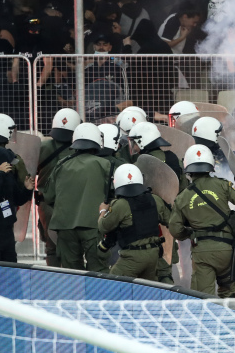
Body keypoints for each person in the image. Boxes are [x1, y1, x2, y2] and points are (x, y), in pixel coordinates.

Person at [167, 145, 235, 298]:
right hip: (227, 249)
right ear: (210, 166)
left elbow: (175, 230)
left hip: (202, 252)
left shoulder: (183, 197)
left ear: (188, 168)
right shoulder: (222, 185)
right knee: (227, 296)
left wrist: (190, 232)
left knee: (203, 299)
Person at [43, 123, 113, 272]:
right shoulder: (105, 164)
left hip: (64, 226)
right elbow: (113, 195)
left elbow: (48, 196)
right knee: (99, 271)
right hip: (93, 226)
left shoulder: (61, 164)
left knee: (72, 274)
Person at [97, 164, 173, 281]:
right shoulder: (155, 199)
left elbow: (103, 227)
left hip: (132, 257)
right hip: (154, 254)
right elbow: (170, 220)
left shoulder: (120, 205)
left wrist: (103, 210)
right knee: (149, 289)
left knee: (112, 285)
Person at [36, 107, 80, 267]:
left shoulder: (42, 147)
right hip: (73, 206)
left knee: (51, 247)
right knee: (73, 248)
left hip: (46, 206)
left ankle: (54, 282)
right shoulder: (80, 149)